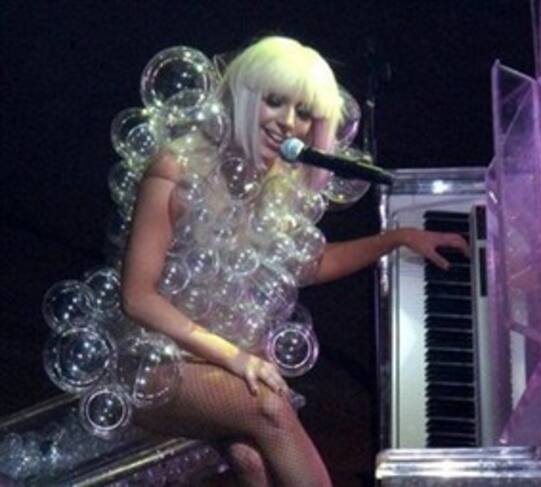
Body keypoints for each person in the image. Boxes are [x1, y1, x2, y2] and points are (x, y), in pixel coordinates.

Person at [121, 35, 469, 487]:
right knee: (270, 407)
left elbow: (310, 265)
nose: (288, 122)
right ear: (245, 95)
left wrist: (396, 238)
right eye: (275, 102)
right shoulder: (176, 167)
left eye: (303, 113)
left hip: (223, 367)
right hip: (155, 362)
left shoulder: (281, 183)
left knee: (254, 463)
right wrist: (234, 358)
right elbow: (137, 298)